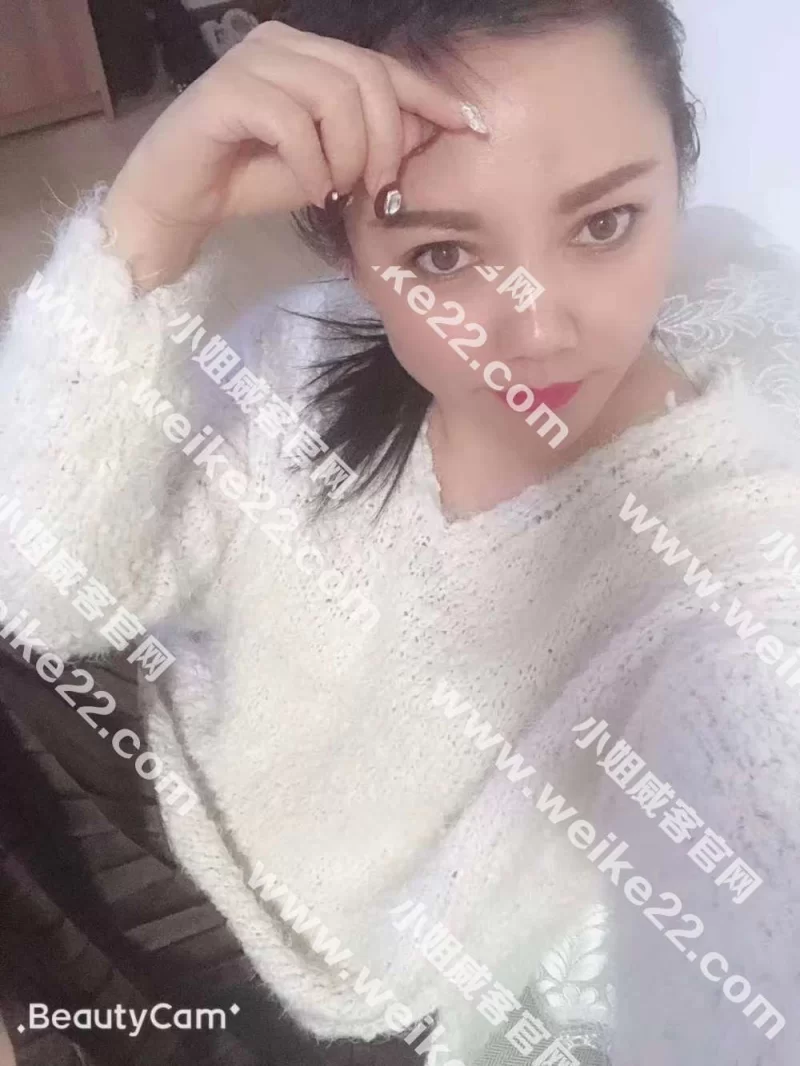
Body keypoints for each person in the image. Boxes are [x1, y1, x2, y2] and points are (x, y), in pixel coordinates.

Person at [1, 1, 799, 1064]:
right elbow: (45, 598)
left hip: (335, 1004)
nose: (538, 326)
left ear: (678, 178)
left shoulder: (737, 552)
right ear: (348, 249)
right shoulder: (299, 350)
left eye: (604, 224)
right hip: (150, 773)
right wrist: (144, 227)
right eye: (442, 253)